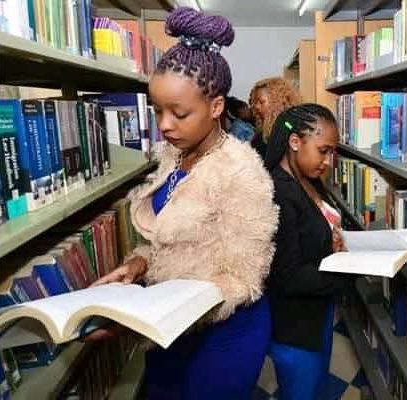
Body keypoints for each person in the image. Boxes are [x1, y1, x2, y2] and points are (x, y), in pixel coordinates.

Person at [88, 7, 279, 400]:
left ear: (216, 107)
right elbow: (170, 241)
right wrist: (137, 266)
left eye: (179, 113)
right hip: (169, 331)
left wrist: (146, 312)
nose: (164, 125)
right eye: (158, 110)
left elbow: (241, 281)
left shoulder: (243, 172)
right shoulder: (173, 155)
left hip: (223, 339)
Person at [264, 104, 348, 400]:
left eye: (331, 153)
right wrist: (347, 271)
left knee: (316, 388)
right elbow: (287, 278)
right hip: (294, 327)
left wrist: (331, 244)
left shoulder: (308, 180)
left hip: (317, 314)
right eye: (323, 151)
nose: (327, 161)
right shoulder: (278, 193)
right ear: (295, 141)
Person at [248, 77, 301, 159]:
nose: (257, 107)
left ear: (276, 102)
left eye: (261, 102)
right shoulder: (262, 131)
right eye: (255, 103)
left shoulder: (287, 126)